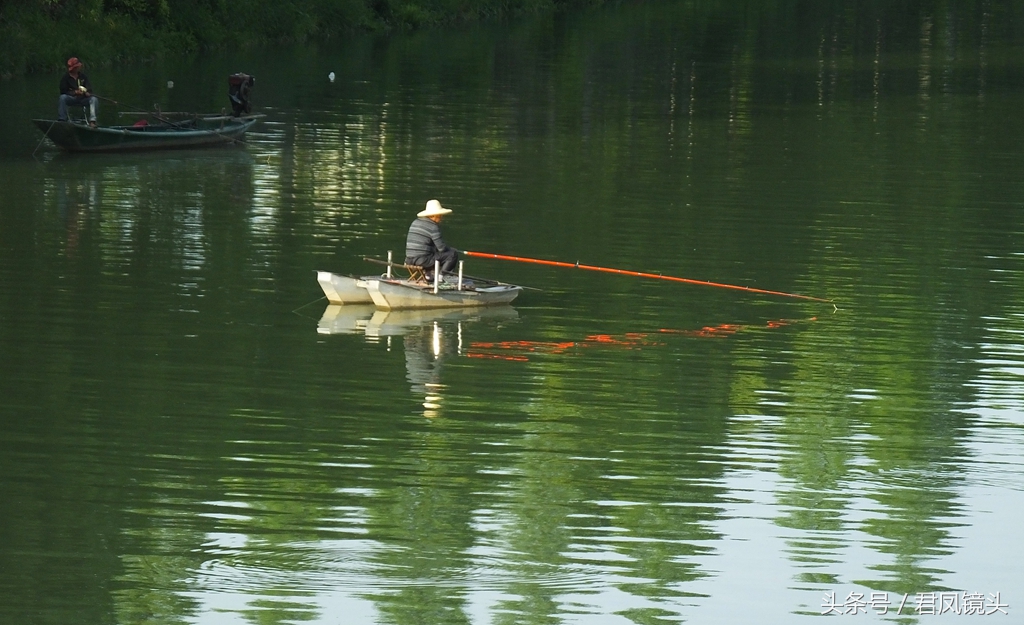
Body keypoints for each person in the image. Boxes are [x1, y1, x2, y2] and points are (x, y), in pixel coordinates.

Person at [405, 199, 459, 277]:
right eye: (440, 216)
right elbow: (442, 249)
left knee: (433, 253)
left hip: (409, 260)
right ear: (435, 215)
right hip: (422, 260)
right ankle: (441, 277)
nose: (441, 218)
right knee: (452, 254)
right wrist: (450, 249)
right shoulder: (433, 227)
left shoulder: (415, 222)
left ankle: (428, 275)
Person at [58, 57, 98, 126]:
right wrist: (74, 92)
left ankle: (92, 121)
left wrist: (88, 93)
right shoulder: (65, 78)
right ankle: (62, 119)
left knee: (94, 99)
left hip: (83, 99)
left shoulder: (83, 77)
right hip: (71, 98)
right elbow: (63, 91)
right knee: (62, 98)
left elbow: (89, 88)